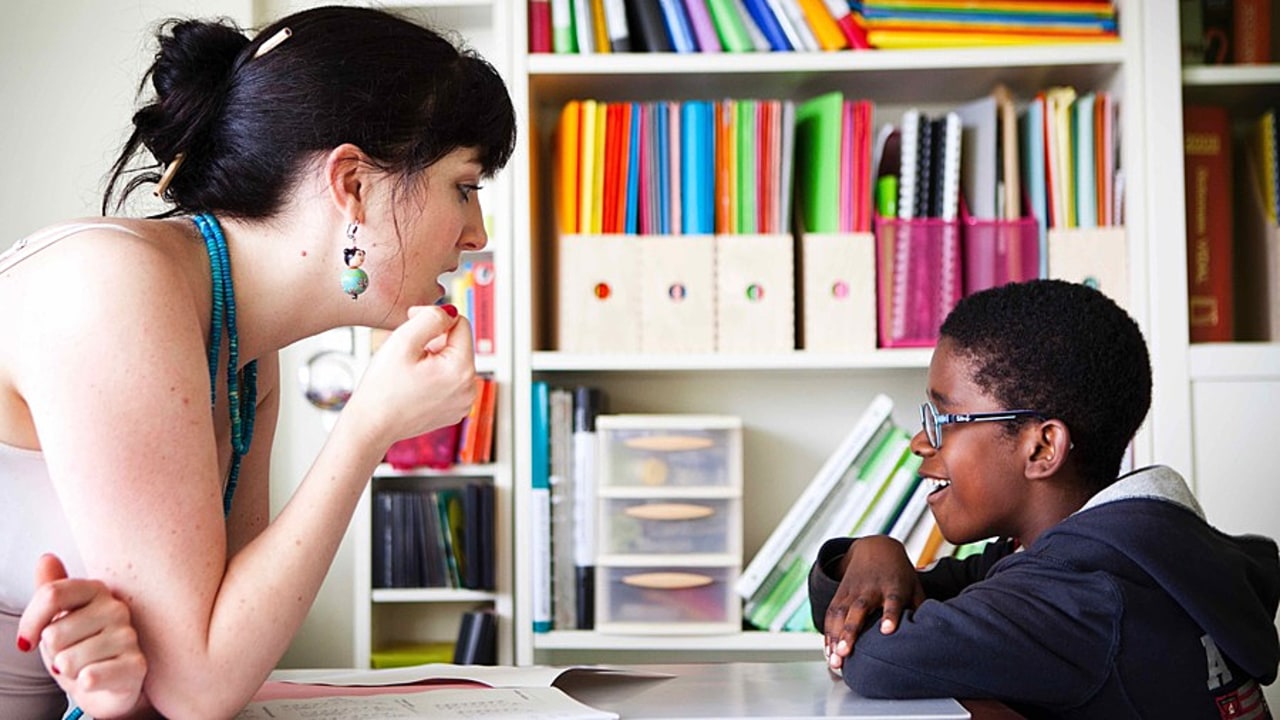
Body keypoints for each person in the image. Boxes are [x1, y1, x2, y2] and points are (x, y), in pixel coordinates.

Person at [1, 5, 515, 717]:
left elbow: (214, 656)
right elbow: (199, 686)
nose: (475, 235)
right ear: (353, 185)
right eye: (464, 187)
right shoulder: (114, 284)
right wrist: (366, 428)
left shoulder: (242, 349)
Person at [810, 279, 1280, 719]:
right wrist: (874, 551)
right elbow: (872, 606)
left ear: (1042, 448)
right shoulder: (1114, 556)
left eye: (946, 418)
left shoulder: (1082, 598)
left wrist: (874, 564)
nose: (919, 440)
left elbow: (874, 657)